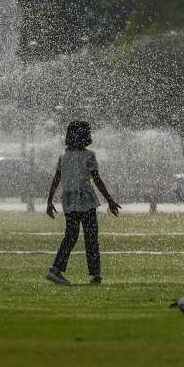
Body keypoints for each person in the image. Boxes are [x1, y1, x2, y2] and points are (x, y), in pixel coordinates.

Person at [45, 120, 120, 285]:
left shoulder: (63, 157)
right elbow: (97, 179)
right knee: (91, 237)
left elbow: (56, 179)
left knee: (71, 236)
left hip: (69, 201)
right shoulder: (88, 155)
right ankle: (95, 276)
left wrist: (49, 201)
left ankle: (56, 270)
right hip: (86, 200)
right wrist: (109, 199)